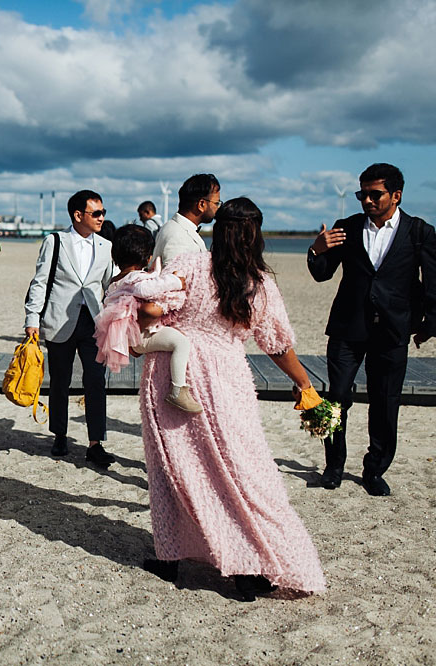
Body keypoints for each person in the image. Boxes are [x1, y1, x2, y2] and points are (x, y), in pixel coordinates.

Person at [138, 197, 326, 600]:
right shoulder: (258, 282)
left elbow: (151, 310)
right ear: (255, 235)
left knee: (174, 469)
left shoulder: (190, 265)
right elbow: (277, 344)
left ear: (217, 229)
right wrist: (305, 383)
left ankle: (172, 558)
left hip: (175, 373)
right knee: (244, 472)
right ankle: (248, 567)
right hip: (227, 377)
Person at [307, 163, 436, 496]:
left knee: (385, 402)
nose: (366, 200)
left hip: (393, 331)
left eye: (374, 194)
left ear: (396, 195)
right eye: (361, 193)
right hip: (348, 327)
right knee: (333, 399)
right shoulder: (346, 227)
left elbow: (433, 284)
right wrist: (316, 250)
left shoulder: (419, 231)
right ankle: (333, 466)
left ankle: (375, 469)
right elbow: (322, 273)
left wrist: (428, 325)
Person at [23, 190, 116, 464]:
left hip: (94, 322)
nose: (102, 217)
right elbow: (40, 282)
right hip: (59, 321)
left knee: (96, 381)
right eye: (96, 213)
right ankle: (60, 435)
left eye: (103, 212)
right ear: (78, 215)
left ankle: (95, 443)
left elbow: (111, 284)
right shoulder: (55, 241)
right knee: (60, 381)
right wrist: (32, 320)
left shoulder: (105, 246)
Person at [93, 225, 201, 412]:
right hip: (139, 334)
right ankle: (178, 389)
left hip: (128, 334)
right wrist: (176, 282)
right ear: (148, 257)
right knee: (181, 343)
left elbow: (146, 283)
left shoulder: (116, 280)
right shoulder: (136, 279)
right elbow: (145, 289)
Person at [152, 174, 219, 266]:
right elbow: (175, 277)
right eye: (216, 203)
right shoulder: (178, 236)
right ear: (201, 204)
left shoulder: (177, 228)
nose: (218, 208)